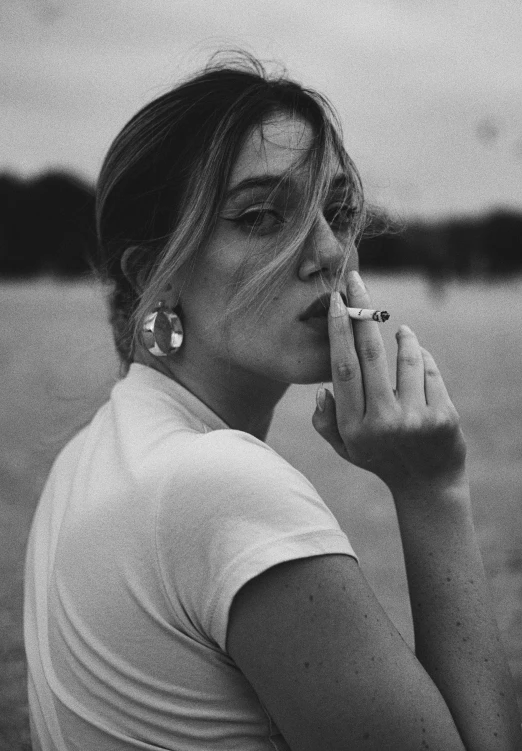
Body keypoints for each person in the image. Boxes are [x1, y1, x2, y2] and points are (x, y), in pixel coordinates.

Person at [24, 51, 522, 751]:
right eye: (262, 216)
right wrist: (432, 487)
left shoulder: (89, 454)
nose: (330, 253)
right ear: (155, 276)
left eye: (340, 211)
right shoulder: (222, 484)